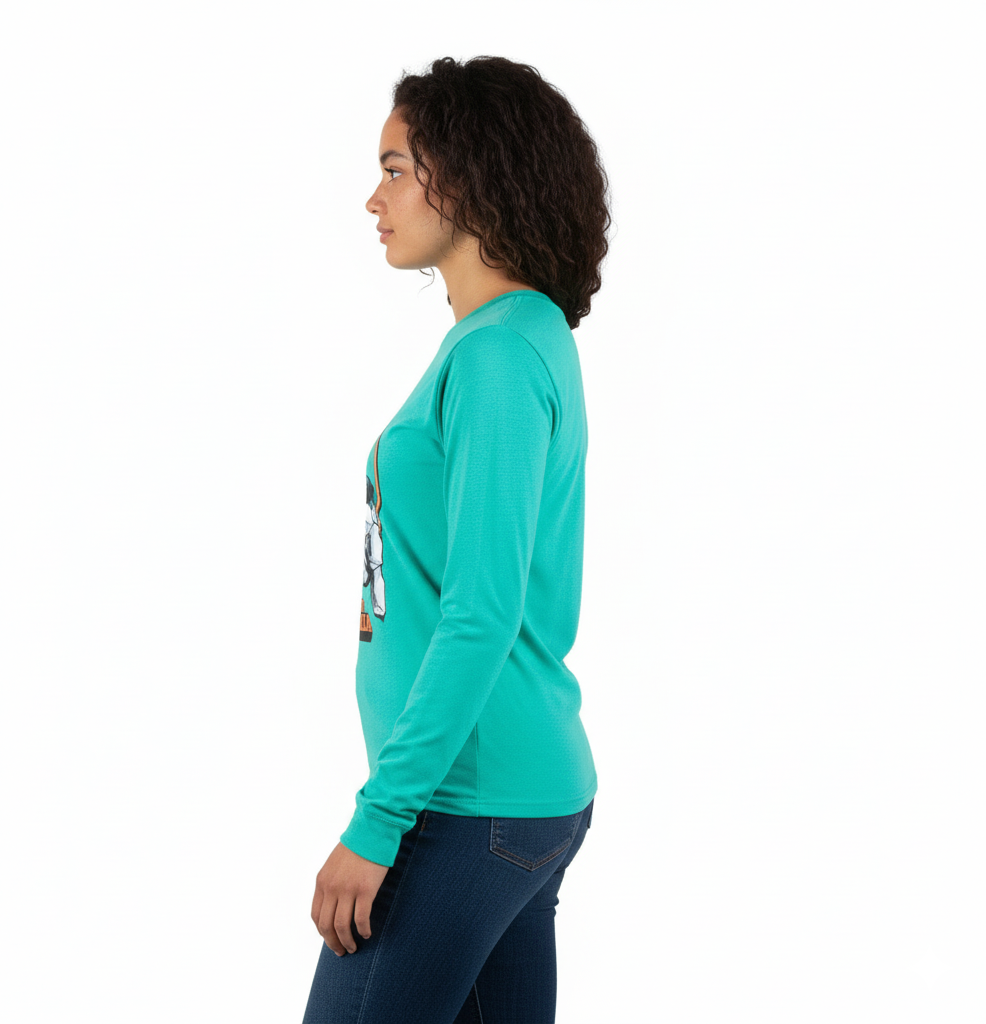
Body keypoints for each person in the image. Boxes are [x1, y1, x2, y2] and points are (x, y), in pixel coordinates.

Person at [302, 55, 612, 1024]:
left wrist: (378, 820)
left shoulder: (499, 356)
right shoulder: (515, 335)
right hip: (506, 798)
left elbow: (481, 612)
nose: (374, 198)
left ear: (470, 177)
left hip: (465, 807)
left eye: (395, 169)